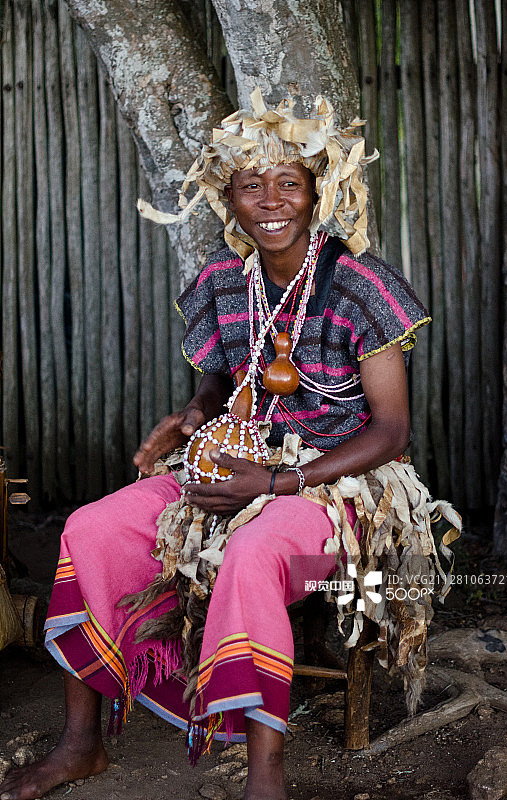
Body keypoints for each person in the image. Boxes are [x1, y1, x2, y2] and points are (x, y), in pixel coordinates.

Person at [0, 89, 457, 800]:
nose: (271, 200)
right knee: (89, 529)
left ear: (315, 194)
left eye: (289, 184)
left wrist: (275, 487)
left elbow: (392, 431)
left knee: (252, 551)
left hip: (343, 491)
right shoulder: (224, 277)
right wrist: (192, 414)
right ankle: (80, 744)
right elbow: (220, 380)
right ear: (231, 199)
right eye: (252, 185)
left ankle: (264, 778)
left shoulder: (362, 284)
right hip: (234, 458)